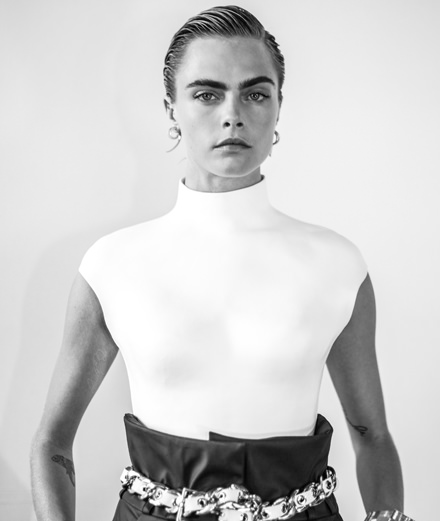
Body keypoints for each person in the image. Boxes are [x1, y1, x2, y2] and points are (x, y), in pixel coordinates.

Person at [30, 6, 413, 521]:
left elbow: (373, 436)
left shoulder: (338, 266)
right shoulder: (111, 265)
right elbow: (52, 441)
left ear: (278, 107)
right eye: (207, 94)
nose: (232, 114)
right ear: (171, 109)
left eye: (255, 93)